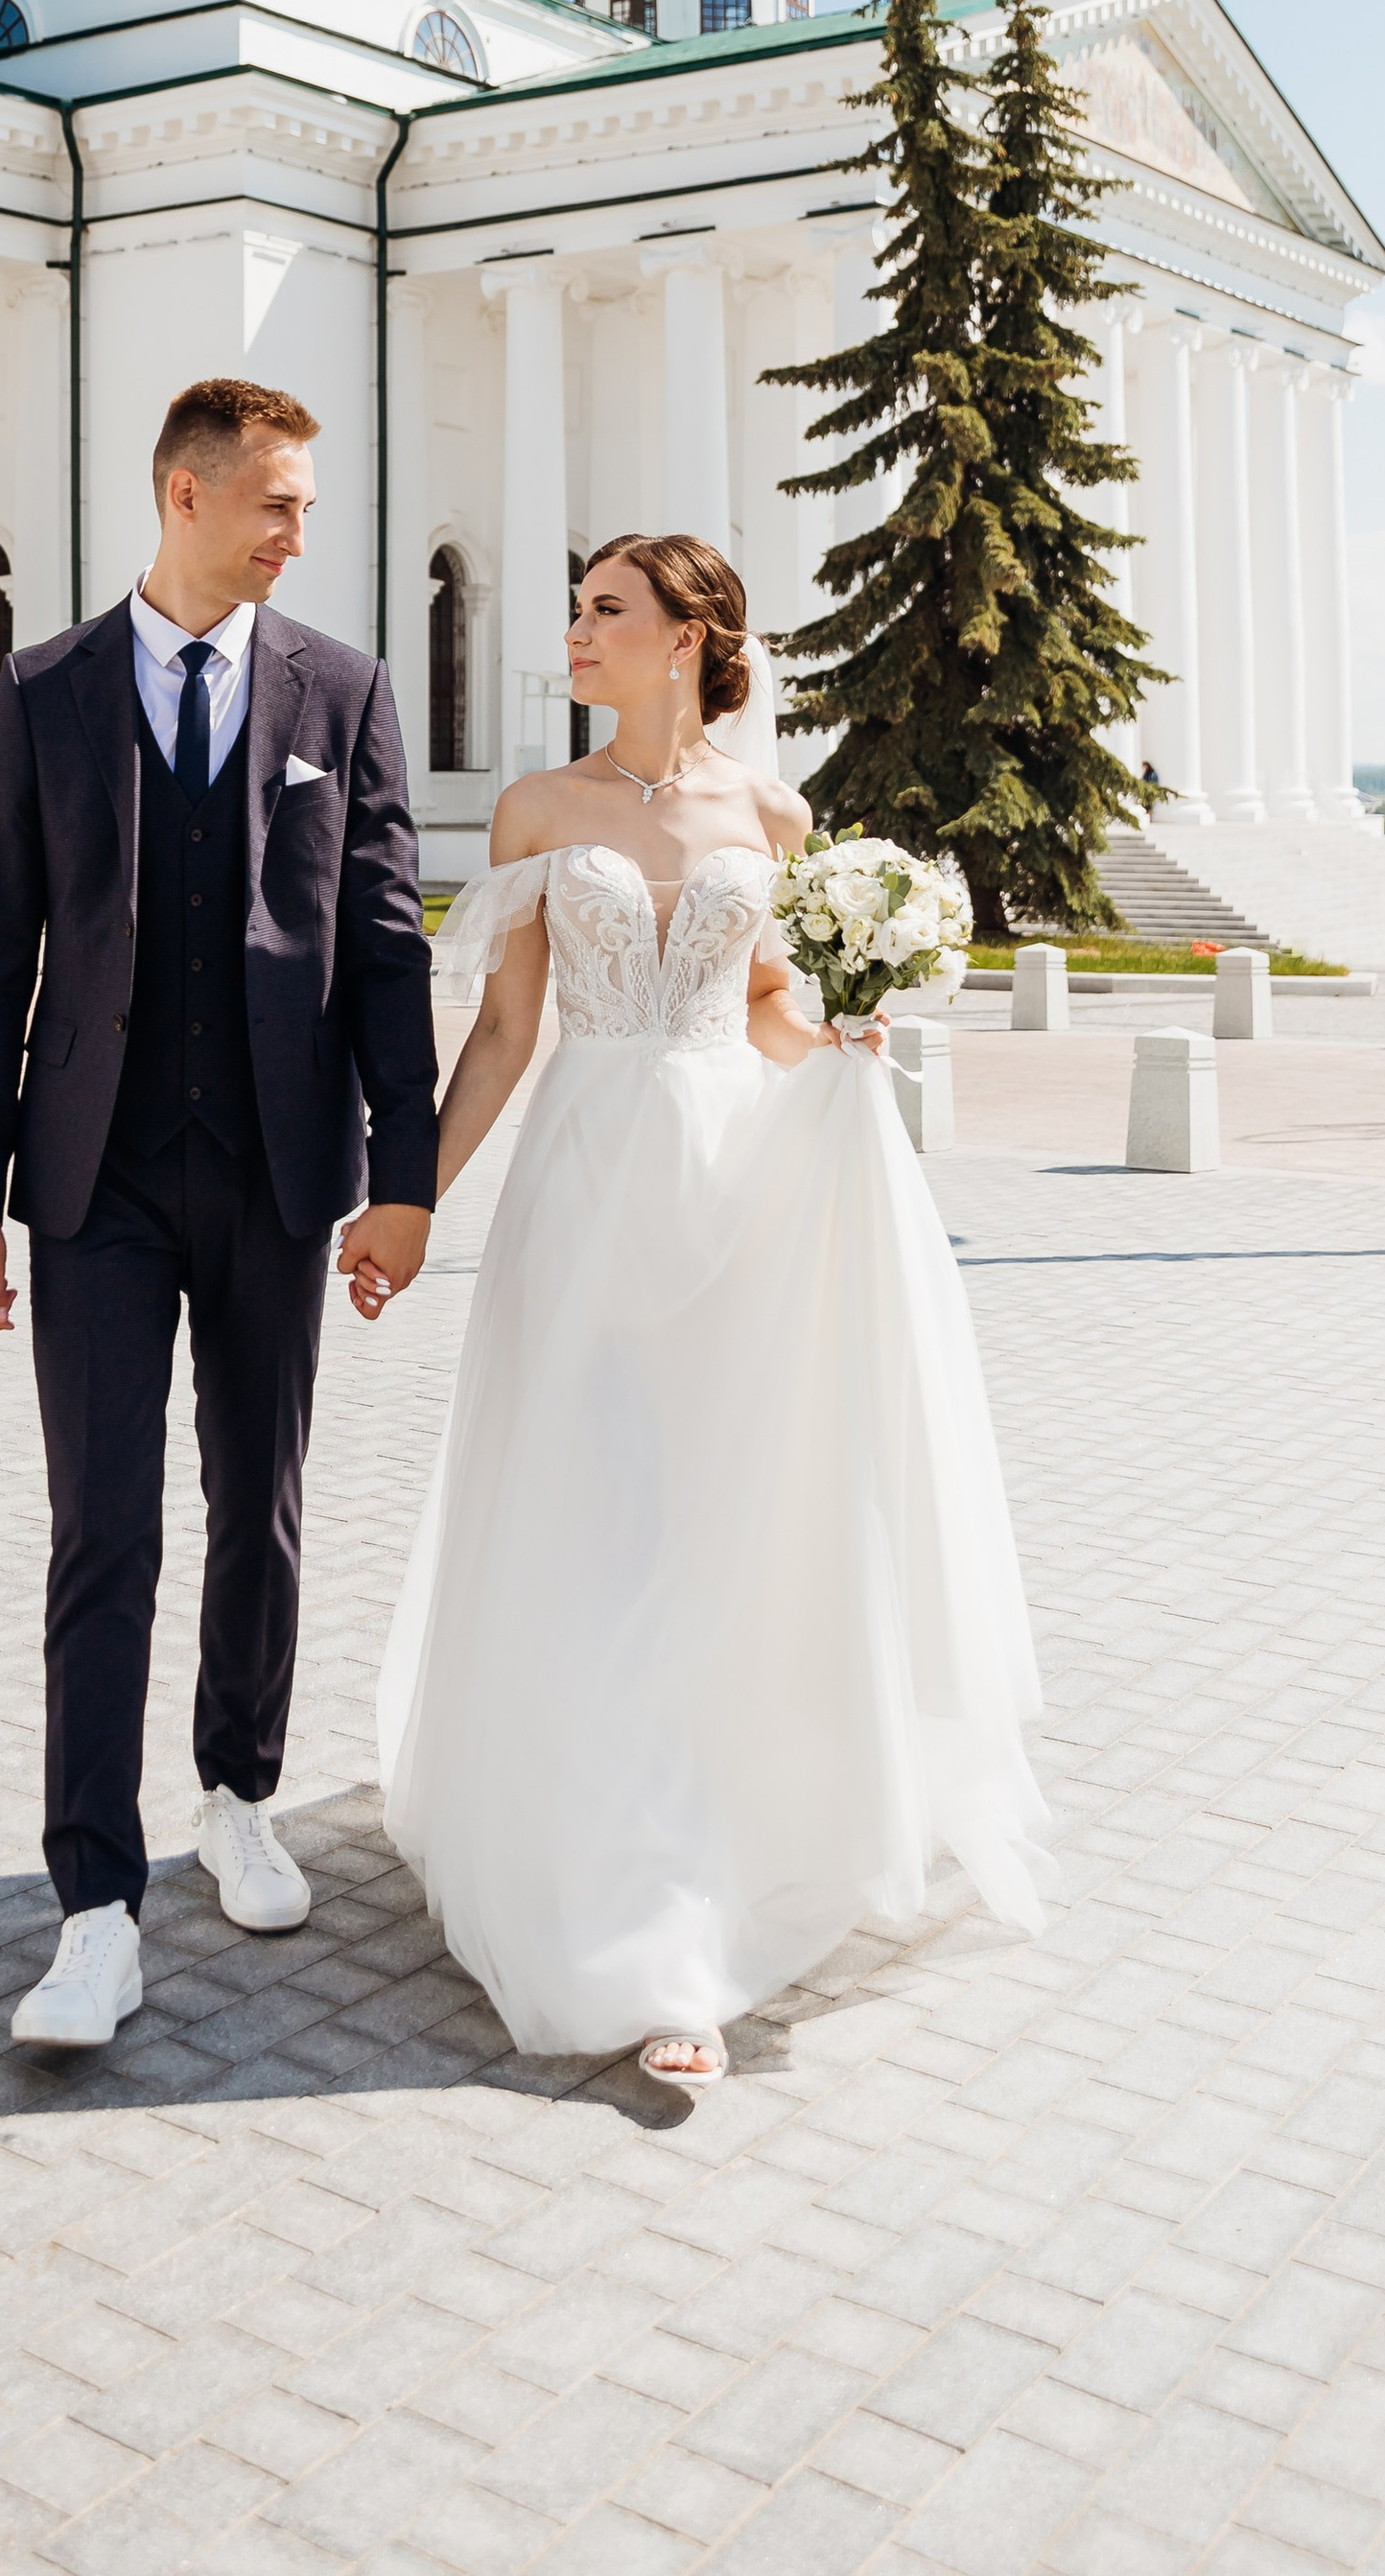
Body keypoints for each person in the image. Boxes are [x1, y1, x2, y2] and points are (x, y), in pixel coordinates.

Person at [380, 533, 1051, 2095]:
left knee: (702, 1537)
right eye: (577, 608)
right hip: (583, 1196)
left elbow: (762, 1008)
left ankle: (694, 1881)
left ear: (688, 637)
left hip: (733, 1199)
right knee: (598, 1523)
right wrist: (405, 1201)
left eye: (607, 609)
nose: (575, 631)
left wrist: (841, 1038)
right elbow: (504, 1032)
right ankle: (633, 1917)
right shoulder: (539, 809)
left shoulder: (773, 813)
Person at [0, 376, 440, 2049]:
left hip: (280, 1172)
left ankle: (239, 1791)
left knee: (260, 1505)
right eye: (278, 503)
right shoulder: (49, 689)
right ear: (186, 494)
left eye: (305, 507)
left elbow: (386, 946)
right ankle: (94, 1905)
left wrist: (406, 1179)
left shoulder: (341, 691)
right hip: (95, 1178)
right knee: (104, 1529)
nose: (300, 532)